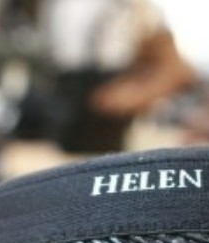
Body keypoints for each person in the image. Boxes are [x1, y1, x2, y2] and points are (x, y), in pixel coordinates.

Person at [40, 0, 195, 153]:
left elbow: (177, 71)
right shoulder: (53, 6)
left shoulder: (135, 7)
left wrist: (134, 95)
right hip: (56, 120)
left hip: (107, 127)